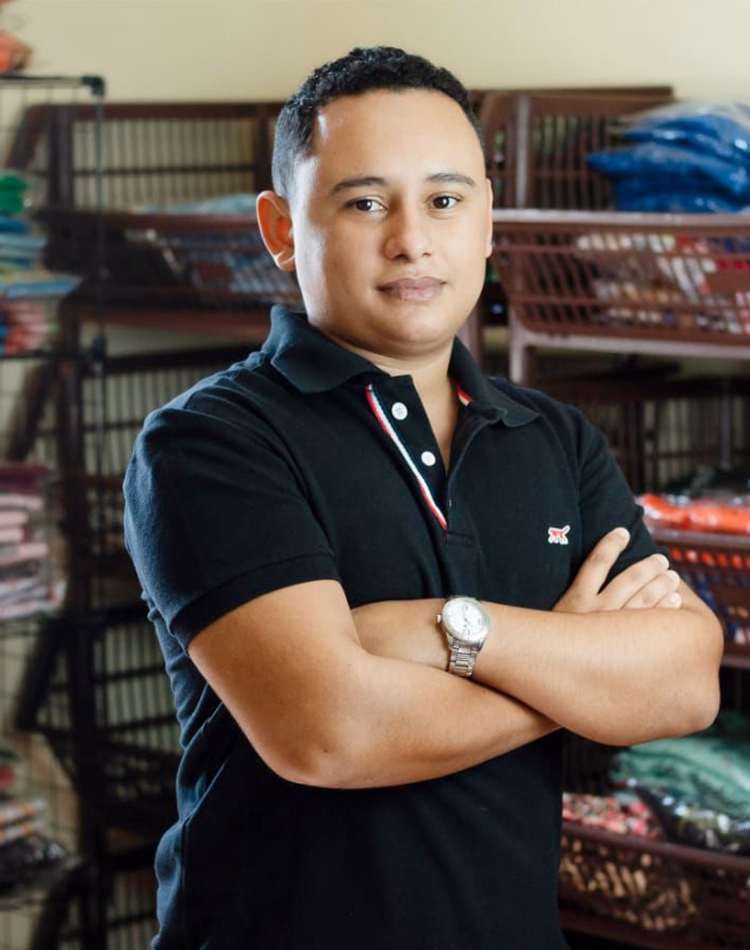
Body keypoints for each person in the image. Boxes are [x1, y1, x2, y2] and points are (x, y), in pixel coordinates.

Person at [123, 46, 723, 950]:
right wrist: (579, 673)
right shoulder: (211, 443)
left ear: (487, 221)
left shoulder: (553, 437)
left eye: (445, 200)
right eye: (365, 203)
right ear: (281, 228)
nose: (412, 239)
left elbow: (685, 683)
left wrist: (456, 629)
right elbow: (331, 734)